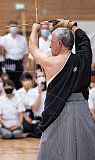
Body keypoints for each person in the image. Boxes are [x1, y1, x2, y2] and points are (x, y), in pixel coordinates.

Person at [29, 19, 95, 160]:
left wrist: (35, 29)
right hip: (82, 110)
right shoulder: (84, 57)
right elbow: (85, 41)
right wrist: (72, 25)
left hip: (59, 111)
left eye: (51, 43)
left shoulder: (51, 62)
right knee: (84, 147)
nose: (50, 47)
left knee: (55, 148)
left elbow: (33, 49)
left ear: (59, 44)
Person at [3, 20, 28, 89]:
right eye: (12, 26)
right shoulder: (4, 38)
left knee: (19, 82)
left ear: (17, 27)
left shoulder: (23, 38)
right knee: (10, 81)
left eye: (15, 26)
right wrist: (4, 66)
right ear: (8, 27)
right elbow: (3, 54)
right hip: (9, 61)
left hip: (19, 62)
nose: (13, 28)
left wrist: (25, 66)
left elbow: (25, 53)